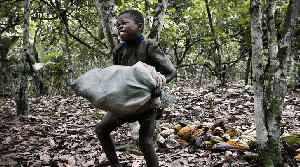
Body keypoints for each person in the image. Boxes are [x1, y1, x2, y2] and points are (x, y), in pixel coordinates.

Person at [95, 9, 176, 167]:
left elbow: (171, 71)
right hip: (126, 100)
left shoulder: (148, 46)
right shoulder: (119, 51)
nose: (120, 27)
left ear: (139, 27)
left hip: (149, 102)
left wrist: (157, 85)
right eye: (118, 25)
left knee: (145, 142)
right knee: (101, 129)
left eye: (124, 23)